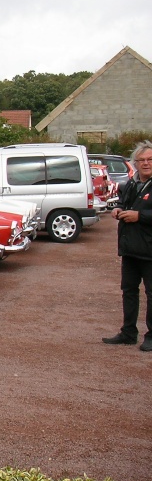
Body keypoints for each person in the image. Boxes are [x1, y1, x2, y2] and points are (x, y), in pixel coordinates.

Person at [103, 140, 152, 351]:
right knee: (129, 291)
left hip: (150, 249)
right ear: (136, 163)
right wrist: (118, 210)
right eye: (141, 160)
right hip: (130, 248)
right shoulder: (132, 183)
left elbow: (140, 212)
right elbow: (124, 202)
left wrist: (139, 216)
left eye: (150, 160)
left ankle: (151, 336)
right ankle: (128, 332)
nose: (146, 164)